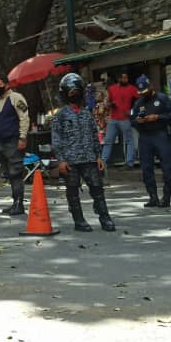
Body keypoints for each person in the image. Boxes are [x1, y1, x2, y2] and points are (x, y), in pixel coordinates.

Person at [51, 74, 115, 232]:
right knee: (72, 191)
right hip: (70, 160)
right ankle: (79, 220)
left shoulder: (87, 113)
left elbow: (95, 135)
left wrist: (99, 156)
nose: (74, 94)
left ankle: (105, 218)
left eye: (76, 91)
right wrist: (61, 160)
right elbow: (56, 138)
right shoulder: (60, 115)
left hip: (89, 158)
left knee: (97, 189)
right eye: (70, 92)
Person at [130, 75, 171, 208]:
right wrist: (138, 121)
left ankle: (166, 198)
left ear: (150, 86)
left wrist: (158, 117)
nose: (144, 95)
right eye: (141, 93)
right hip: (145, 137)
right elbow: (132, 120)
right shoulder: (138, 103)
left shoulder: (162, 98)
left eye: (145, 91)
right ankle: (153, 197)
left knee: (167, 167)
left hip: (160, 134)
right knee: (146, 168)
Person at [0, 75, 30, 216]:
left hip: (13, 140)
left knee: (16, 172)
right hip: (1, 142)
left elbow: (24, 117)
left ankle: (19, 203)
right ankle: (14, 202)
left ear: (6, 85)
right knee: (8, 174)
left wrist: (22, 137)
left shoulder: (16, 98)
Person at [103, 73, 139, 169]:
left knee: (129, 141)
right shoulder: (112, 88)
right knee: (108, 140)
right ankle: (103, 163)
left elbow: (140, 101)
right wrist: (111, 104)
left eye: (126, 77)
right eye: (123, 77)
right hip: (113, 118)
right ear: (119, 78)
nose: (125, 79)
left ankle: (129, 163)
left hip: (125, 119)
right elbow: (107, 103)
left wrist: (132, 111)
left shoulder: (132, 88)